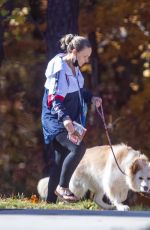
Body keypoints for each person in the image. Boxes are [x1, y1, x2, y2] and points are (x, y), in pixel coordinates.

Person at [41, 34, 102, 203]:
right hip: (56, 119)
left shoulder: (75, 68)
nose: (86, 60)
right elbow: (54, 99)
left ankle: (50, 202)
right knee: (78, 148)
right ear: (74, 51)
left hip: (68, 118)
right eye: (84, 56)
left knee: (61, 159)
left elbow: (78, 91)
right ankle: (63, 187)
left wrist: (92, 98)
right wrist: (66, 120)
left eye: (88, 57)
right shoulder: (58, 68)